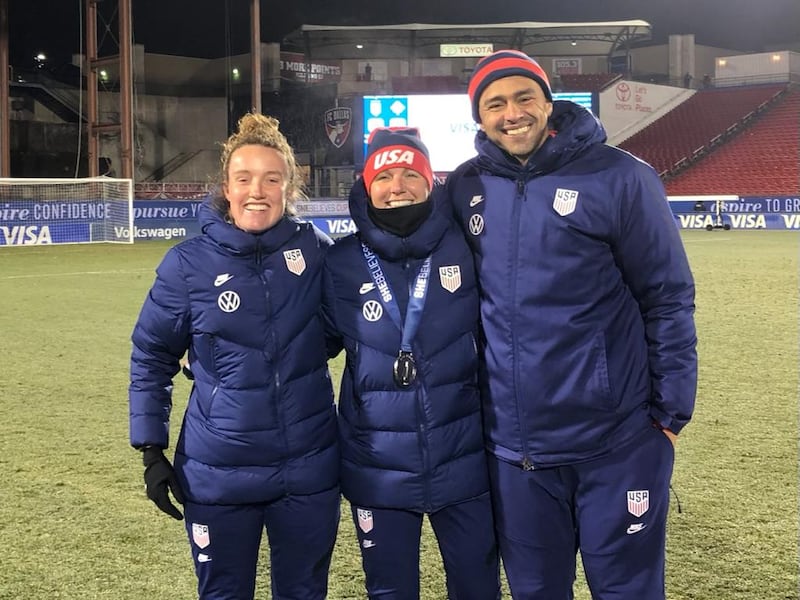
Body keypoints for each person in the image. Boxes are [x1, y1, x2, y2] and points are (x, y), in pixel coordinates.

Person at [444, 49, 697, 599]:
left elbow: (668, 297)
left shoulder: (621, 177)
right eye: (495, 104)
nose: (511, 113)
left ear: (548, 102)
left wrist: (669, 416)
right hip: (516, 452)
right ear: (479, 117)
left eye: (523, 97)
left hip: (618, 443)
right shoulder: (465, 188)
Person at [129, 112, 340, 600]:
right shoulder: (187, 265)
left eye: (271, 179)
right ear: (225, 186)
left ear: (289, 187)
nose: (257, 191)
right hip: (217, 474)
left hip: (308, 471)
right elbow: (151, 356)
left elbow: (338, 333)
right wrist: (150, 449)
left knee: (305, 592)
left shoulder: (317, 252)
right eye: (243, 178)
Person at [322, 127, 500, 599]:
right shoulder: (339, 263)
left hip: (465, 461)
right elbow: (303, 343)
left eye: (408, 174)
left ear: (429, 181)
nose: (396, 185)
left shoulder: (467, 247)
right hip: (376, 468)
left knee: (478, 587)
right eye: (383, 176)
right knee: (389, 591)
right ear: (366, 186)